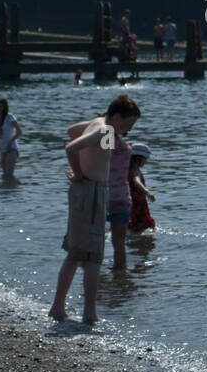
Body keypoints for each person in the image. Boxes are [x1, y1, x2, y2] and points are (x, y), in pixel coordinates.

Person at [51, 95, 141, 324]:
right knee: (93, 256)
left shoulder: (98, 125)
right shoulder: (104, 130)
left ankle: (58, 307)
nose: (127, 131)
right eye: (127, 125)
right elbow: (71, 146)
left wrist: (89, 159)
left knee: (76, 252)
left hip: (89, 192)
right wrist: (80, 174)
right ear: (117, 117)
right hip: (91, 191)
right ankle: (90, 313)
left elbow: (73, 130)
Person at [106, 124, 134, 270]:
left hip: (105, 195)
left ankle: (96, 274)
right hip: (122, 196)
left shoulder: (108, 139)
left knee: (97, 238)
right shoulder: (126, 148)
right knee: (119, 242)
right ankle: (121, 274)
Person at [128, 143, 156, 233]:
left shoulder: (125, 168)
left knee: (131, 225)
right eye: (145, 159)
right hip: (138, 203)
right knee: (146, 225)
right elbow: (137, 181)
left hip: (129, 202)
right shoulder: (135, 170)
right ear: (139, 158)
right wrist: (147, 192)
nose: (146, 161)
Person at [0, 96, 23, 179]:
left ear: (4, 107)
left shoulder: (10, 117)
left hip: (12, 148)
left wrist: (11, 142)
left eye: (0, 106)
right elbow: (0, 134)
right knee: (4, 175)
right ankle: (7, 191)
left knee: (9, 175)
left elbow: (20, 131)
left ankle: (12, 190)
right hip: (3, 149)